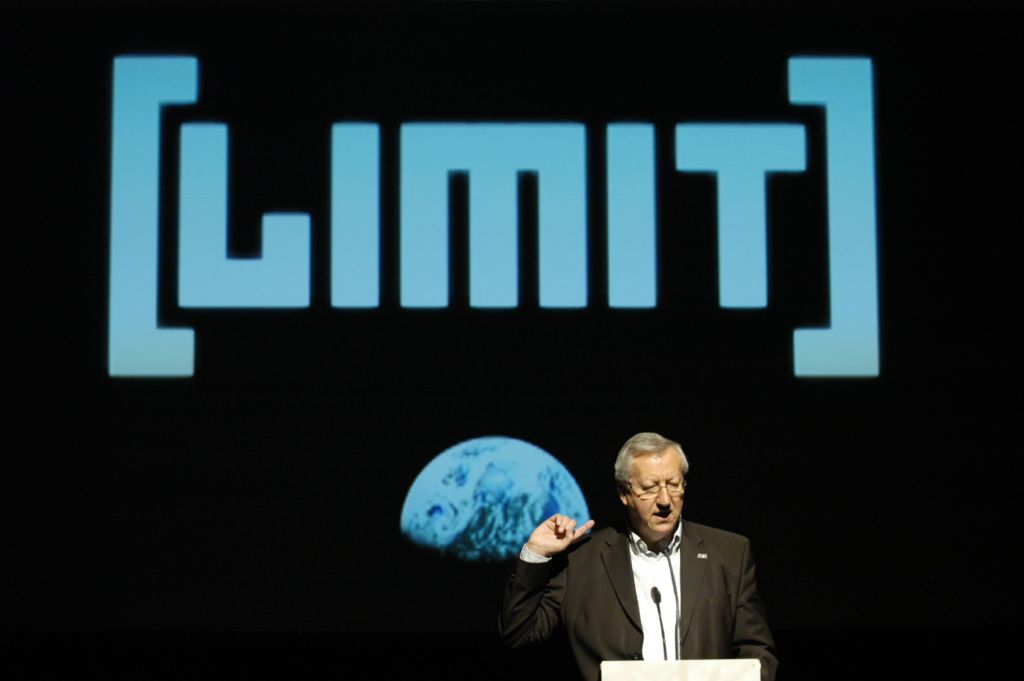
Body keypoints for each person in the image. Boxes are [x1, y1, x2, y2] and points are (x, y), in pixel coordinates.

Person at [499, 432, 777, 681]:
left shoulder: (728, 553)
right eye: (650, 487)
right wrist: (535, 554)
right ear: (624, 493)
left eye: (674, 484)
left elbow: (757, 651)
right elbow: (519, 635)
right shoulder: (581, 560)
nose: (666, 500)